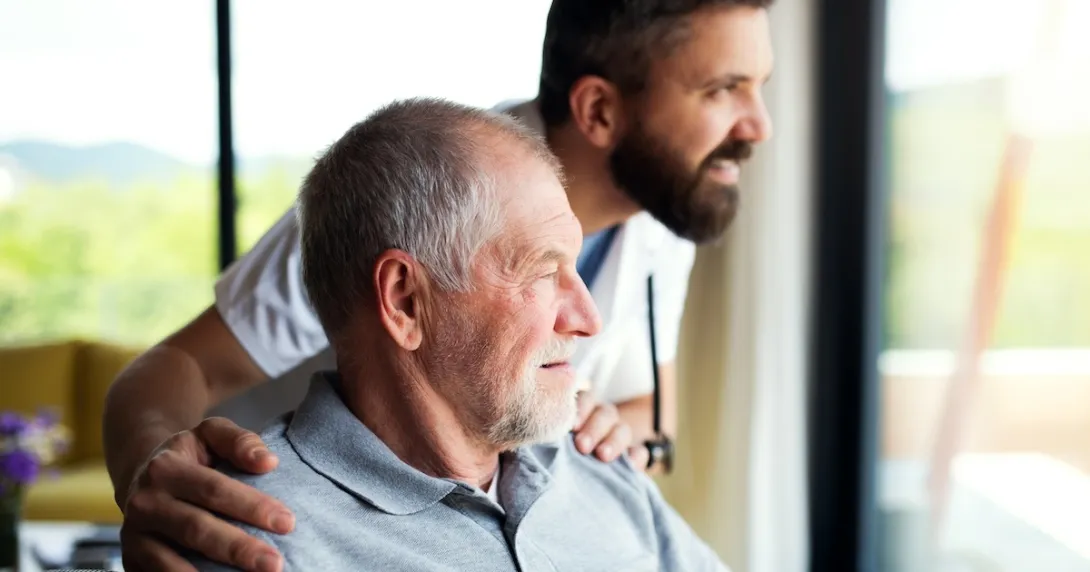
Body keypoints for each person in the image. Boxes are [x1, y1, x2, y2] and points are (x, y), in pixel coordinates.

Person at [104, 1, 774, 570]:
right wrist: (155, 479)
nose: (759, 125)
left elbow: (650, 416)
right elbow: (176, 367)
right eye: (723, 89)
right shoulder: (403, 198)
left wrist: (596, 436)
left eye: (759, 86)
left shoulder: (656, 219)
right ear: (598, 109)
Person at [186, 96, 728, 572]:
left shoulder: (602, 475)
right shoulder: (258, 538)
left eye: (576, 268)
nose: (588, 319)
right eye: (542, 271)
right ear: (404, 301)